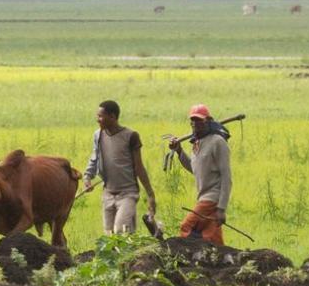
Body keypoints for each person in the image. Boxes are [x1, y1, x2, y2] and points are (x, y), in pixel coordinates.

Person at [81, 100, 158, 236]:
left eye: (100, 116)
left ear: (112, 117)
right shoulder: (98, 136)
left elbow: (139, 167)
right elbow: (95, 158)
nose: (97, 119)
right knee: (109, 237)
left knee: (121, 232)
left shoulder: (131, 136)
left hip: (128, 194)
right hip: (108, 194)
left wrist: (150, 194)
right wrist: (87, 178)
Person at [169, 103, 232, 245]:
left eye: (199, 120)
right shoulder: (196, 143)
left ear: (209, 121)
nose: (196, 124)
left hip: (212, 198)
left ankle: (188, 258)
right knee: (212, 239)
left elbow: (226, 177)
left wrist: (221, 208)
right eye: (193, 120)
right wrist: (179, 151)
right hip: (203, 197)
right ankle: (219, 263)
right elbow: (194, 169)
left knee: (187, 226)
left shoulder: (218, 142)